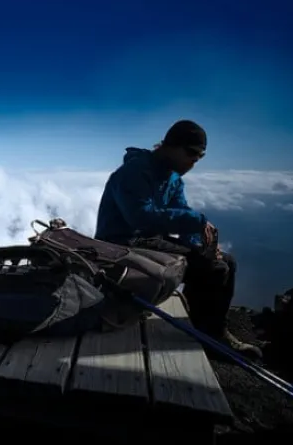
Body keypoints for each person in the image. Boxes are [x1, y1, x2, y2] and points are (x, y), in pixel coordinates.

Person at [94, 119, 262, 358]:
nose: (194, 162)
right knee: (213, 269)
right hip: (119, 245)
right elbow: (140, 217)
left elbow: (180, 213)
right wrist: (197, 222)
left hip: (146, 241)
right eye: (191, 153)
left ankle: (206, 327)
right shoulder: (133, 172)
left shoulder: (173, 178)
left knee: (226, 262)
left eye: (199, 157)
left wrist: (201, 246)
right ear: (170, 145)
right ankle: (211, 337)